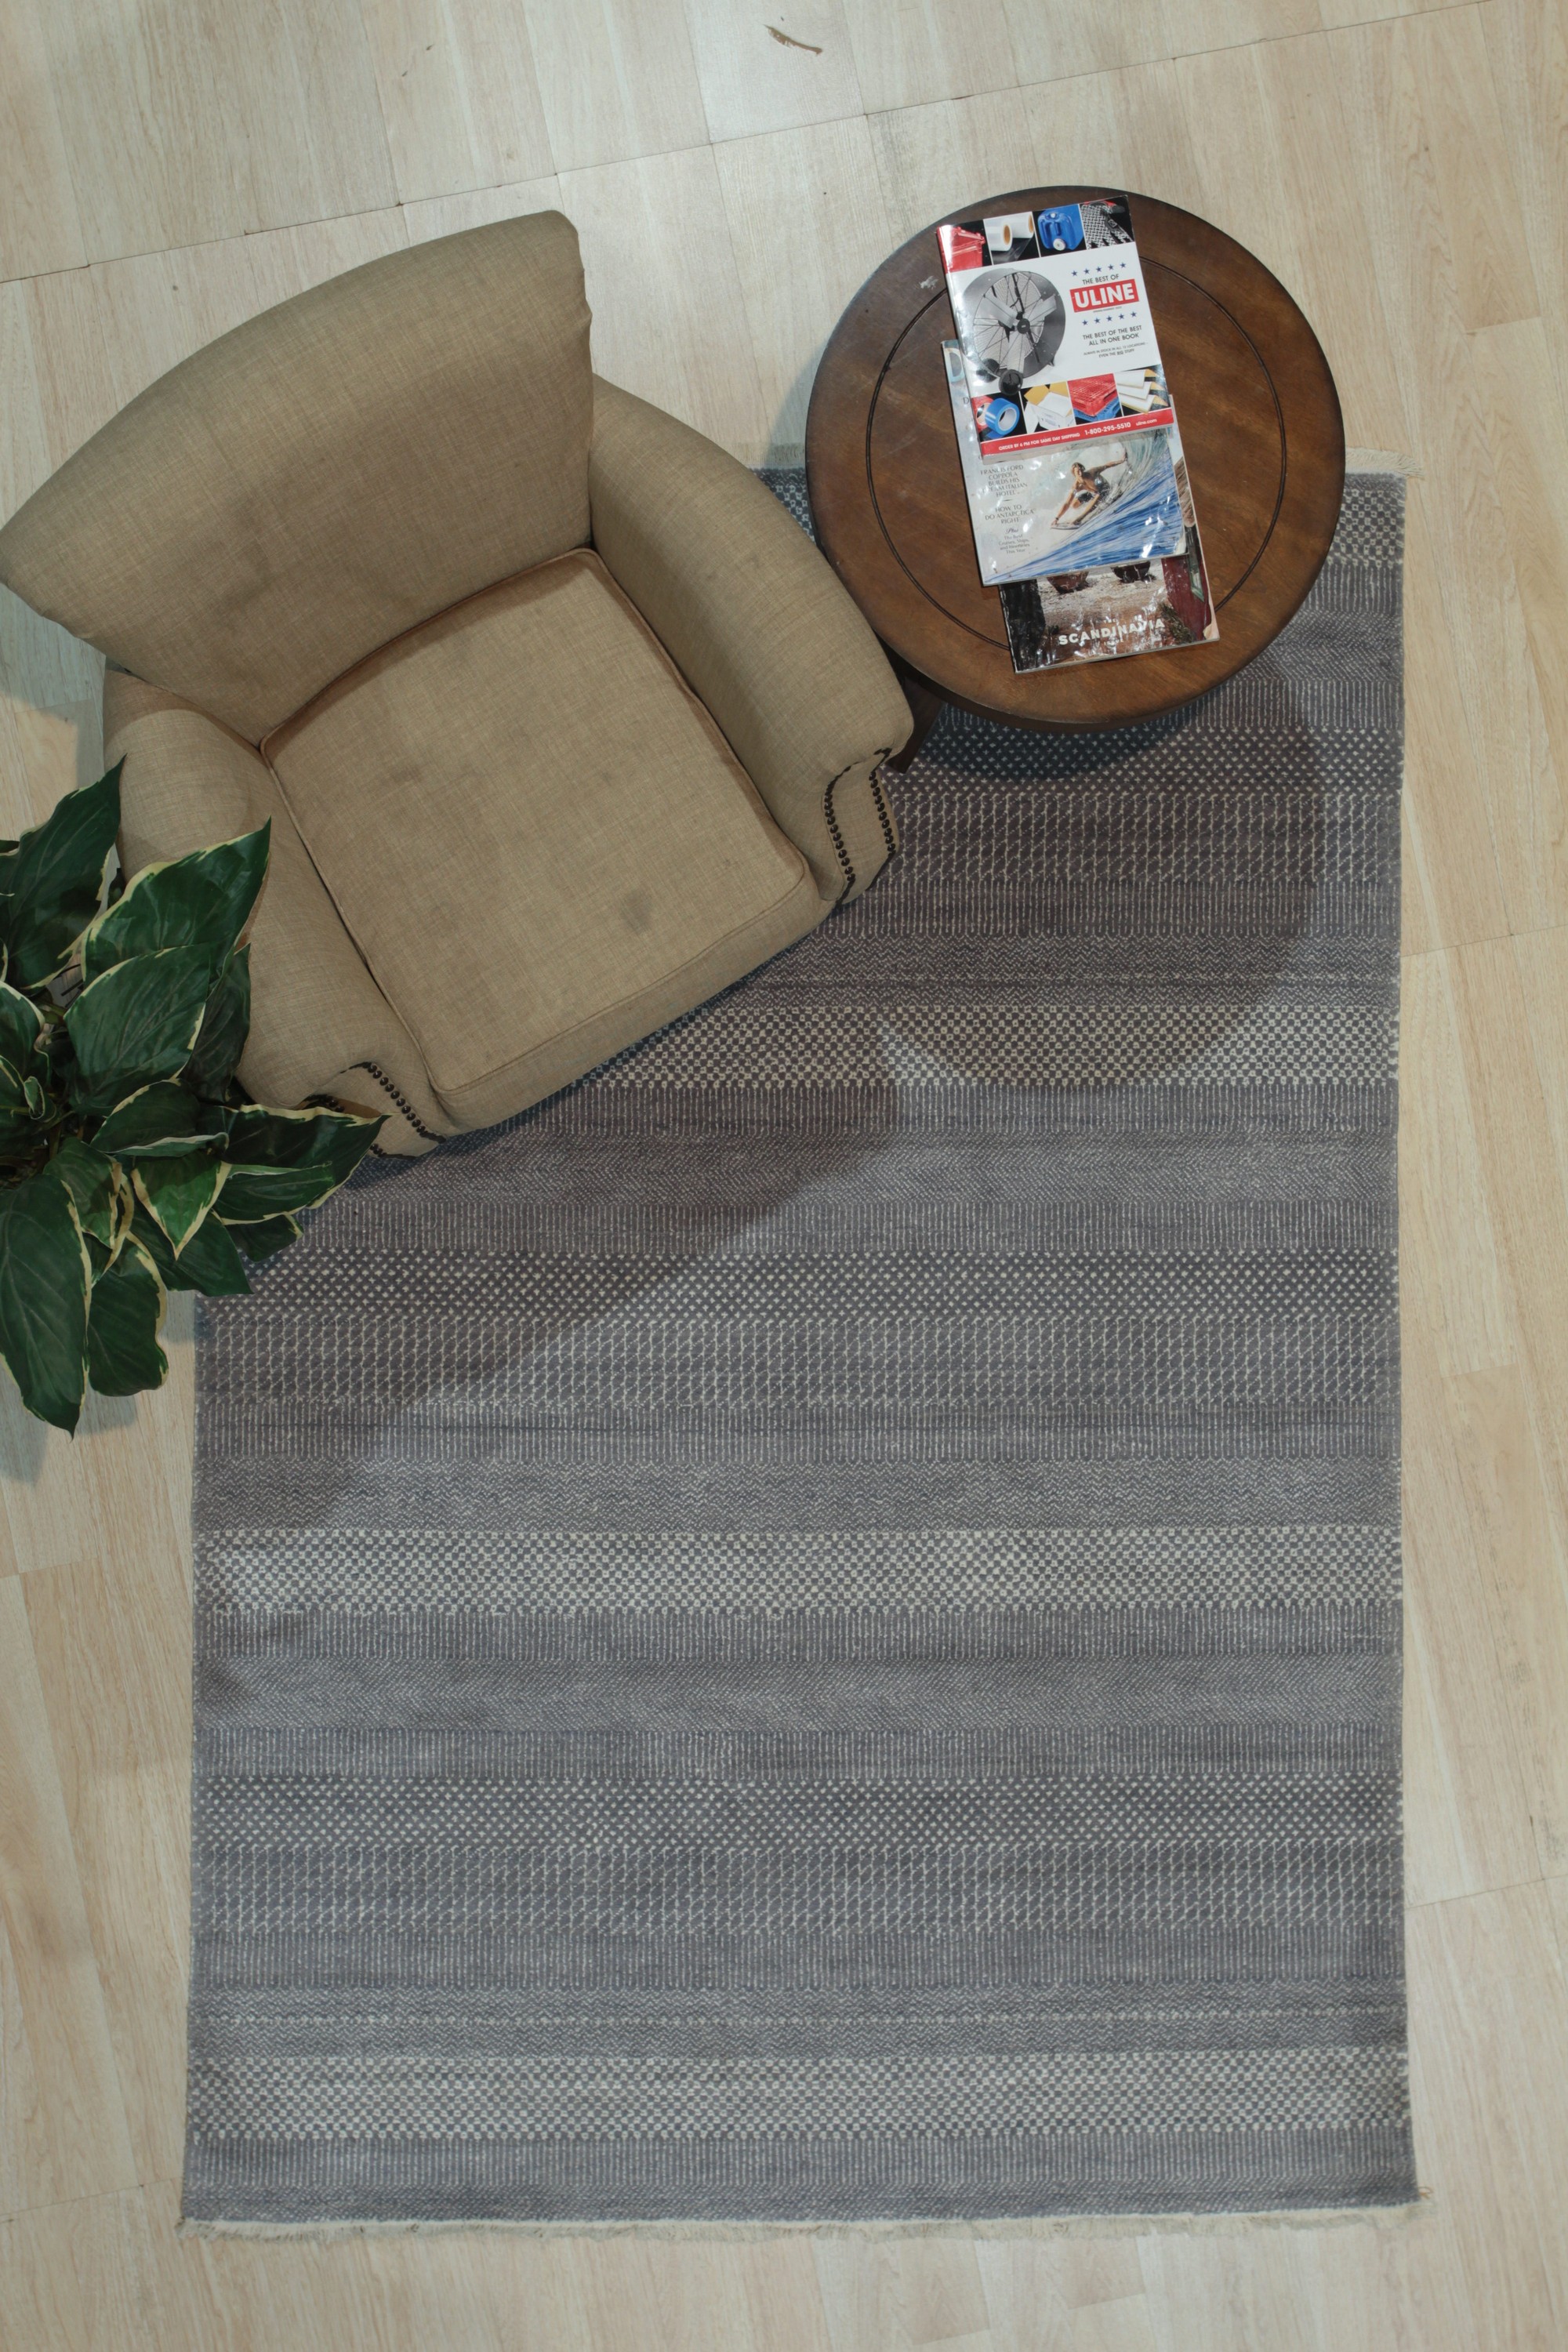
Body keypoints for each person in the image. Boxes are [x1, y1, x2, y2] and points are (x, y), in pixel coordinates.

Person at [1052, 451, 1126, 528]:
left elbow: (1107, 465)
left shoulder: (1092, 472)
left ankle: (1079, 519)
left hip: (1105, 490)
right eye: (1078, 471)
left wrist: (1121, 461)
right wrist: (1057, 518)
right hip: (1093, 493)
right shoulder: (1076, 486)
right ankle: (1088, 508)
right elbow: (1067, 503)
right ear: (1074, 474)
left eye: (1081, 470)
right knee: (1074, 505)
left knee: (1098, 495)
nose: (1080, 472)